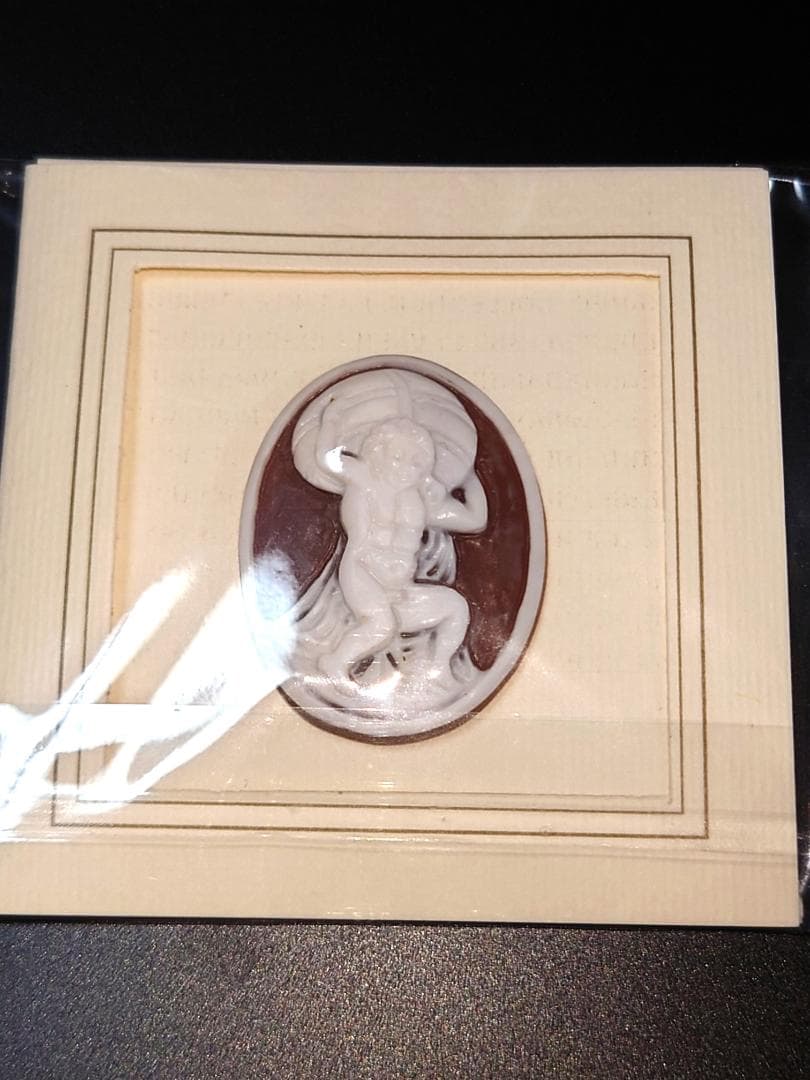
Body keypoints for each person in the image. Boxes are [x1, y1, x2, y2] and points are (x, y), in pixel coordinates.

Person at [314, 396, 487, 685]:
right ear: (378, 453)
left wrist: (468, 475)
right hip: (363, 574)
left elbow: (475, 520)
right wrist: (330, 419)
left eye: (416, 462)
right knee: (381, 625)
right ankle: (334, 663)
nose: (406, 468)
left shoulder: (419, 500)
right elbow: (324, 458)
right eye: (397, 457)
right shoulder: (362, 477)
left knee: (455, 607)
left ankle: (437, 669)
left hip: (401, 589)